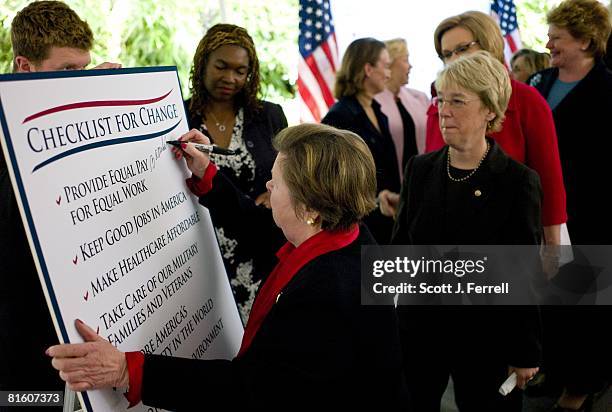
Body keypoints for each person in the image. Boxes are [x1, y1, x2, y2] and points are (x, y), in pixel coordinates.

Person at [47, 123, 407, 410]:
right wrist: (209, 176)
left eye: (276, 182)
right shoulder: (345, 233)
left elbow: (248, 391)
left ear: (310, 208)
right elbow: (264, 232)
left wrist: (128, 369)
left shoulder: (327, 291)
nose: (267, 185)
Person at [392, 51, 542, 412]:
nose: (444, 110)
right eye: (441, 99)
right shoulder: (420, 169)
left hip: (486, 338)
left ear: (490, 109)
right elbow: (398, 251)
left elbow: (523, 274)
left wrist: (524, 351)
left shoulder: (517, 182)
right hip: (420, 333)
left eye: (457, 101)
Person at [1, 1, 119, 402]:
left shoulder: (69, 114)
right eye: (67, 72)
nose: (78, 81)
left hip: (73, 320)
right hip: (16, 328)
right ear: (24, 67)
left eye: (83, 70)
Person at [527, 1, 612, 410]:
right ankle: (555, 370)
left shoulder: (608, 87)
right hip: (543, 212)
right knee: (551, 297)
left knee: (586, 304)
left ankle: (582, 384)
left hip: (591, 213)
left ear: (584, 40)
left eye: (557, 38)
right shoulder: (540, 80)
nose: (548, 44)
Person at [424, 11, 566, 248]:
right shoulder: (438, 106)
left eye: (462, 48)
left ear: (489, 45)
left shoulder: (526, 100)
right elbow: (430, 173)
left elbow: (549, 180)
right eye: (447, 54)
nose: (454, 59)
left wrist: (553, 247)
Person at [185, 24, 288, 322]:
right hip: (200, 253)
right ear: (203, 62)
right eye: (221, 66)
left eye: (240, 71)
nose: (230, 78)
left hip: (258, 248)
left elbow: (290, 170)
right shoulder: (179, 115)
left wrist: (274, 190)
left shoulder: (269, 116)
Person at [321, 37, 398, 243]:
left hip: (386, 218)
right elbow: (335, 180)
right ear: (368, 69)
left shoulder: (378, 111)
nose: (389, 73)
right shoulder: (339, 116)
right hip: (360, 225)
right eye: (386, 66)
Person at [374, 38, 429, 217]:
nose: (410, 66)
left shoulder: (419, 99)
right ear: (389, 64)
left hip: (422, 185)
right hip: (388, 191)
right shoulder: (372, 103)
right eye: (405, 60)